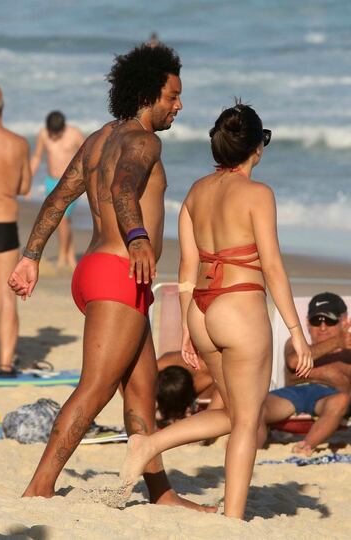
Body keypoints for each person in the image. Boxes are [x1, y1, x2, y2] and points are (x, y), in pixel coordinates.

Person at [8, 43, 214, 512]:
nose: (178, 105)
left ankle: (161, 494)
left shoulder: (99, 138)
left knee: (141, 394)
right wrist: (139, 237)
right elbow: (124, 190)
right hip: (120, 273)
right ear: (147, 94)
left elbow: (59, 197)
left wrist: (32, 255)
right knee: (96, 386)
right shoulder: (144, 140)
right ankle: (40, 487)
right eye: (172, 96)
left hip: (99, 273)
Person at [118, 101, 313, 519]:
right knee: (247, 420)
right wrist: (296, 332)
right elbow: (273, 266)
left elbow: (187, 269)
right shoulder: (258, 194)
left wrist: (190, 327)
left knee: (233, 413)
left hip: (202, 313)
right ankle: (233, 519)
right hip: (239, 307)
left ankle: (151, 442)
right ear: (257, 147)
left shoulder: (196, 193)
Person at [258, 292, 351, 455]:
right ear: (308, 324)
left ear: (343, 322)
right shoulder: (296, 343)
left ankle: (306, 446)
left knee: (341, 400)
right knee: (255, 405)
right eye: (317, 321)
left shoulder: (347, 355)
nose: (323, 327)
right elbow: (294, 362)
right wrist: (337, 341)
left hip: (330, 399)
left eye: (330, 321)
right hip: (292, 395)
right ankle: (252, 448)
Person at [0, 82, 31, 376]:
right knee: (5, 299)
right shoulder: (17, 144)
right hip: (3, 223)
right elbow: (24, 186)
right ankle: (5, 364)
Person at [31, 111, 84, 269]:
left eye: (57, 134)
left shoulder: (74, 134)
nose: (53, 137)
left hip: (71, 183)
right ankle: (70, 256)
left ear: (63, 129)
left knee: (62, 220)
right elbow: (36, 157)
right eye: (51, 134)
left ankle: (62, 257)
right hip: (50, 183)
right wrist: (27, 182)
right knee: (63, 221)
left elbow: (89, 156)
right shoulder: (43, 134)